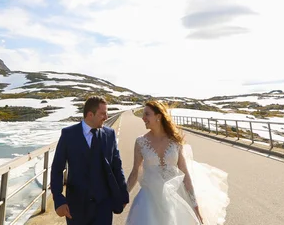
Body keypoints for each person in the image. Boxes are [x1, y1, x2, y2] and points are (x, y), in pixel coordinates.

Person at [125, 101, 230, 225]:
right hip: (148, 202)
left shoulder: (175, 141)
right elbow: (135, 172)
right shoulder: (140, 142)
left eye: (147, 114)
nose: (143, 118)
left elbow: (185, 173)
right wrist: (123, 196)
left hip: (176, 198)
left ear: (158, 116)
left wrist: (194, 204)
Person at [51, 96, 129, 225]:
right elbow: (57, 169)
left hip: (103, 206)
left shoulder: (109, 135)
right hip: (76, 206)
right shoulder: (68, 134)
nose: (106, 117)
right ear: (90, 114)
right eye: (102, 114)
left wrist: (123, 194)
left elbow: (117, 166)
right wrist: (59, 199)